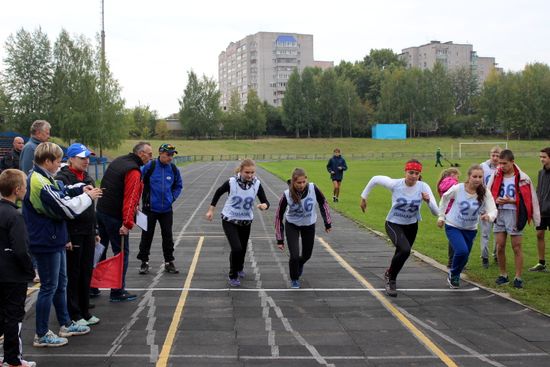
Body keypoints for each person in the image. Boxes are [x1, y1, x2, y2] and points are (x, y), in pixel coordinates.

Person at [22, 142, 102, 347]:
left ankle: (65, 322)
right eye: (58, 160)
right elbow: (65, 208)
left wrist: (79, 188)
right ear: (47, 161)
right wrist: (87, 196)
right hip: (45, 240)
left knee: (60, 284)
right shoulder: (39, 181)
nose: (61, 164)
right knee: (49, 287)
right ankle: (41, 333)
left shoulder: (45, 177)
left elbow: (62, 189)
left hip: (53, 238)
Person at [360, 159, 439, 297]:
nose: (413, 176)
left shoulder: (423, 187)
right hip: (393, 223)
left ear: (420, 174)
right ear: (405, 172)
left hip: (412, 225)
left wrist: (428, 202)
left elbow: (436, 212)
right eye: (411, 172)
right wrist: (364, 197)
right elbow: (375, 179)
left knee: (402, 253)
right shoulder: (395, 184)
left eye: (416, 173)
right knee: (405, 250)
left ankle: (389, 272)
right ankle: (391, 280)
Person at [96, 142, 152, 302]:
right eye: (149, 154)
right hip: (115, 217)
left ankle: (92, 286)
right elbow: (130, 197)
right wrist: (127, 223)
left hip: (101, 211)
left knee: (99, 249)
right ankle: (117, 290)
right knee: (121, 253)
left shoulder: (119, 161)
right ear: (141, 154)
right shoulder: (133, 171)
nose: (151, 157)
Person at [55, 143, 100, 327]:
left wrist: (95, 229)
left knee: (86, 271)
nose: (86, 161)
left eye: (88, 157)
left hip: (88, 230)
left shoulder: (88, 177)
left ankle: (84, 310)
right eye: (82, 158)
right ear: (71, 158)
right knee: (74, 274)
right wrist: (66, 236)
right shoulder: (63, 178)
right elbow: (62, 209)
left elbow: (91, 205)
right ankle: (74, 312)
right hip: (73, 232)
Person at [205, 159, 269, 287]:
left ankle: (239, 268)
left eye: (252, 172)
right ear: (241, 170)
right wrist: (211, 210)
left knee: (243, 248)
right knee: (237, 248)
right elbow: (218, 192)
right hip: (230, 220)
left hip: (246, 221)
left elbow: (266, 201)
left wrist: (264, 206)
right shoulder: (232, 182)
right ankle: (233, 275)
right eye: (247, 172)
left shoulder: (257, 184)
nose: (250, 175)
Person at [437, 164, 498, 288]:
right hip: (453, 225)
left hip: (470, 229)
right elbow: (444, 198)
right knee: (461, 251)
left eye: (480, 177)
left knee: (465, 256)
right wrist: (441, 216)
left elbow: (493, 209)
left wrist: (489, 216)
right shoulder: (458, 188)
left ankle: (455, 274)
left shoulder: (485, 192)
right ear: (469, 177)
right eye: (474, 176)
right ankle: (453, 274)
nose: (477, 179)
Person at [487, 149, 540, 288]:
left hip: (515, 215)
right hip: (499, 213)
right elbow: (489, 192)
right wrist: (494, 202)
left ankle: (518, 277)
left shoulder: (523, 177)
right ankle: (503, 275)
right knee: (499, 246)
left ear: (512, 162)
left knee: (516, 247)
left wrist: (512, 201)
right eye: (499, 163)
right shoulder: (496, 175)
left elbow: (530, 199)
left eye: (504, 163)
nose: (501, 166)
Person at [0, 169, 36, 367]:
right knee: (14, 316)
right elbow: (21, 249)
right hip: (13, 275)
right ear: (17, 189)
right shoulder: (15, 216)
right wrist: (30, 270)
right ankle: (13, 359)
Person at [274, 168, 332, 288]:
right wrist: (280, 239)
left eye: (303, 182)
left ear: (306, 180)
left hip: (309, 225)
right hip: (292, 225)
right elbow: (279, 216)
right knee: (294, 255)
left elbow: (323, 203)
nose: (301, 185)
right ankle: (294, 278)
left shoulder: (313, 188)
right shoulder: (287, 195)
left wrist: (327, 222)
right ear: (293, 182)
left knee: (306, 255)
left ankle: (299, 264)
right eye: (298, 183)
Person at [137, 143, 183, 275]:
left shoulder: (173, 169)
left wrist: (172, 198)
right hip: (149, 208)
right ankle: (144, 262)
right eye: (168, 155)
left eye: (172, 155)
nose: (170, 158)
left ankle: (169, 262)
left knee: (167, 236)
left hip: (166, 210)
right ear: (160, 153)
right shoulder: (149, 167)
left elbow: (178, 185)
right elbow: (137, 181)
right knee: (147, 235)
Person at [479, 146, 502, 267]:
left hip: (499, 206)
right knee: (485, 233)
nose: (495, 158)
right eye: (493, 155)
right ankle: (484, 257)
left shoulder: (503, 168)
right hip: (485, 204)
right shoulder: (482, 166)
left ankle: (497, 255)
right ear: (490, 155)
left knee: (498, 232)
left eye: (498, 156)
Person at [529, 147, 550, 272]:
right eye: (540, 157)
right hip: (542, 211)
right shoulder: (540, 173)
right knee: (539, 234)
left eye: (544, 157)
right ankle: (541, 263)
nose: (541, 159)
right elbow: (538, 190)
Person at [437, 167, 460, 268]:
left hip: (446, 212)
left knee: (452, 237)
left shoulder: (442, 183)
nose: (458, 178)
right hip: (454, 212)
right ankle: (455, 262)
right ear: (452, 174)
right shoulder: (454, 184)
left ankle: (451, 262)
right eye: (457, 176)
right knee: (457, 238)